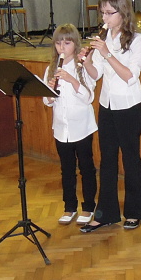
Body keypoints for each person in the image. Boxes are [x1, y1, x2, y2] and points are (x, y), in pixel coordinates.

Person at [80, 0, 141, 233]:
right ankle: (106, 214)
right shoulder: (104, 37)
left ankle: (134, 212)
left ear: (123, 12)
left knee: (131, 160)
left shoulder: (137, 41)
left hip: (129, 105)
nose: (104, 18)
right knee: (107, 160)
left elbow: (129, 76)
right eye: (103, 13)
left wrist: (106, 53)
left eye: (109, 13)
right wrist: (87, 60)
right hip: (107, 104)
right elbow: (96, 75)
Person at [42, 23, 98, 226]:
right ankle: (69, 207)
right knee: (66, 169)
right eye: (58, 43)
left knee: (86, 168)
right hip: (61, 128)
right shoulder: (51, 68)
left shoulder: (82, 66)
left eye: (67, 43)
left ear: (75, 44)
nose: (62, 48)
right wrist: (50, 93)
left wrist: (72, 80)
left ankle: (88, 207)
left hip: (82, 126)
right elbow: (47, 101)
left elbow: (88, 97)